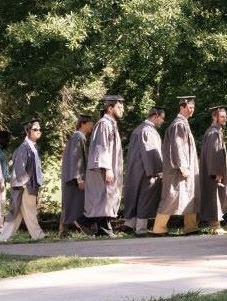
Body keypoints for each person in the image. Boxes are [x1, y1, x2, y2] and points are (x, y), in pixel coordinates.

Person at [156, 96, 200, 236]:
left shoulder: (183, 123)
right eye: (189, 107)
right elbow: (178, 145)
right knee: (171, 197)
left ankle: (191, 227)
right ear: (182, 107)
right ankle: (158, 228)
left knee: (190, 195)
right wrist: (183, 166)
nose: (192, 110)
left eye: (193, 107)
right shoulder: (179, 124)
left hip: (184, 168)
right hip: (178, 169)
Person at [83, 95, 125, 236]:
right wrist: (107, 168)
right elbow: (101, 147)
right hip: (103, 169)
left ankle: (102, 228)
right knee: (103, 197)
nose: (122, 110)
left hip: (109, 168)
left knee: (107, 197)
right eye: (119, 107)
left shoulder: (111, 123)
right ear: (110, 108)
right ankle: (100, 228)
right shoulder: (104, 124)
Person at [0, 119, 45, 242]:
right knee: (30, 211)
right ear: (27, 131)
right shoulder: (24, 148)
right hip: (25, 185)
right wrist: (25, 183)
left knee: (16, 213)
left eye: (39, 129)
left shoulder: (33, 148)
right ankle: (38, 235)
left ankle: (3, 237)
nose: (38, 132)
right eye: (35, 129)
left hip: (29, 185)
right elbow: (19, 167)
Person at [123, 106, 166, 235]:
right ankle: (141, 229)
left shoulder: (138, 129)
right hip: (147, 171)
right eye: (162, 118)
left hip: (136, 170)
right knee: (145, 198)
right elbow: (151, 153)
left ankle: (129, 225)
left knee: (136, 197)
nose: (163, 121)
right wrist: (158, 171)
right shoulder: (147, 130)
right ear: (155, 116)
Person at [196, 105, 227, 233]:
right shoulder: (214, 133)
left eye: (225, 117)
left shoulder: (214, 131)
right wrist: (217, 173)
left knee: (214, 197)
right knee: (214, 196)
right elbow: (214, 154)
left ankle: (215, 225)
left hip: (212, 171)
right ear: (214, 117)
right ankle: (215, 226)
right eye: (222, 117)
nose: (225, 119)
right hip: (214, 173)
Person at [59, 115, 94, 237]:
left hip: (73, 178)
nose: (92, 126)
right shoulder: (77, 138)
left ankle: (64, 231)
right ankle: (64, 231)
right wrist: (79, 178)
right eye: (90, 123)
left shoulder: (79, 138)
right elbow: (76, 159)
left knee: (71, 204)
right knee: (71, 204)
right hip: (73, 179)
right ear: (83, 124)